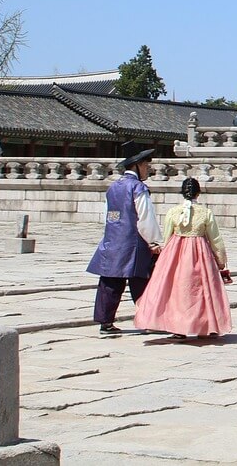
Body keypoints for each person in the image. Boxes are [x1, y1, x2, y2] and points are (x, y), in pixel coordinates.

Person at [133, 177, 232, 338]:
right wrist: (220, 260)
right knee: (201, 290)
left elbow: (166, 236)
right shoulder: (205, 213)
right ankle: (205, 324)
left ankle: (178, 326)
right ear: (198, 193)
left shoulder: (173, 212)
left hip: (175, 253)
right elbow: (215, 239)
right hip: (200, 254)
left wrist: (163, 258)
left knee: (177, 290)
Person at [87, 141, 164, 336]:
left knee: (110, 283)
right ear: (137, 165)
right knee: (142, 283)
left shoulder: (114, 187)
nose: (148, 169)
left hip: (112, 240)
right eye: (146, 165)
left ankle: (105, 321)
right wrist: (154, 241)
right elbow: (145, 217)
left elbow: (111, 214)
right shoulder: (138, 188)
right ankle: (149, 318)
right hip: (133, 243)